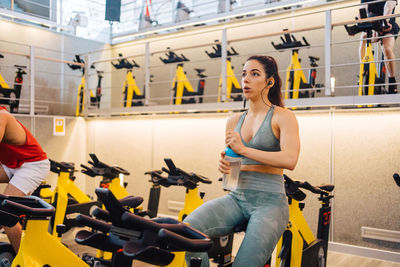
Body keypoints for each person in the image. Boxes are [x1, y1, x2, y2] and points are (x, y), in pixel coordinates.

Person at [184, 55, 300, 266]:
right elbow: (232, 175)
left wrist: (244, 150)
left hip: (270, 202)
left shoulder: (283, 116)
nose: (246, 79)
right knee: (187, 231)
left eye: (255, 74)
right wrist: (226, 167)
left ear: (270, 81)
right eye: (244, 74)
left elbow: (290, 159)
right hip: (237, 198)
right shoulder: (233, 121)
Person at [0, 106, 50, 252]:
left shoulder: (2, 117)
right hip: (10, 165)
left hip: (32, 165)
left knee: (6, 215)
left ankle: (26, 259)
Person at [359, 0, 398, 93]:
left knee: (387, 49)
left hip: (388, 25)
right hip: (372, 25)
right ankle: (363, 69)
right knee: (363, 38)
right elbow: (362, 10)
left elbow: (389, 6)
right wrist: (360, 25)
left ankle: (392, 81)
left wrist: (384, 22)